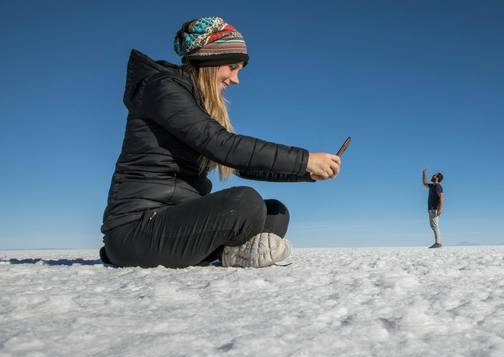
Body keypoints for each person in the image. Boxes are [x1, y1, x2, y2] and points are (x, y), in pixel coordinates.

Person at [100, 17, 341, 268]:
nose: (235, 79)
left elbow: (240, 165)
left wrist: (305, 172)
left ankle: (226, 253)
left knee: (274, 213)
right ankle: (225, 252)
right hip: (137, 228)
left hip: (172, 222)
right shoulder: (163, 89)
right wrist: (305, 159)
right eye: (233, 67)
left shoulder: (195, 103)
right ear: (210, 60)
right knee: (245, 203)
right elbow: (223, 146)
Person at [421, 168, 444, 248]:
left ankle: (438, 243)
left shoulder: (438, 186)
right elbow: (424, 183)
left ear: (437, 178)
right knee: (433, 225)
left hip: (434, 209)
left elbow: (441, 197)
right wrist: (423, 173)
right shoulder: (432, 186)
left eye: (435, 175)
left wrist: (440, 209)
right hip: (431, 209)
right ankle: (437, 242)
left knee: (435, 226)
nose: (433, 175)